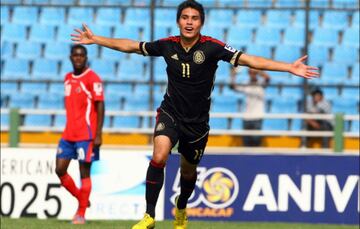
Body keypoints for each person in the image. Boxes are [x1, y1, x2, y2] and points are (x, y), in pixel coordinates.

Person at [71, 1, 318, 228]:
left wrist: (288, 67)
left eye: (195, 18)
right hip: (170, 113)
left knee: (188, 172)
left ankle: (181, 206)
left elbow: (249, 60)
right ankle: (149, 216)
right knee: (159, 155)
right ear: (178, 21)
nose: (189, 22)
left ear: (202, 22)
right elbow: (132, 46)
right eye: (185, 17)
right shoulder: (168, 45)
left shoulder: (213, 47)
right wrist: (97, 39)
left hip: (197, 123)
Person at [55, 44, 105, 224]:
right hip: (68, 134)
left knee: (84, 173)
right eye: (75, 55)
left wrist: (98, 134)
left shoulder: (93, 79)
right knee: (59, 169)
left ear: (86, 58)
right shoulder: (67, 78)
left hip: (86, 134)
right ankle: (82, 199)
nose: (78, 58)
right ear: (70, 57)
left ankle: (81, 214)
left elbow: (100, 106)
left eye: (81, 55)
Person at [230, 67, 270, 147]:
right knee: (246, 144)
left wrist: (258, 71)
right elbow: (233, 87)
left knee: (256, 143)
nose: (252, 74)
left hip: (258, 117)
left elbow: (268, 78)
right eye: (250, 73)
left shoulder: (261, 84)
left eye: (254, 73)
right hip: (246, 117)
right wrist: (233, 75)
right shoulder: (246, 83)